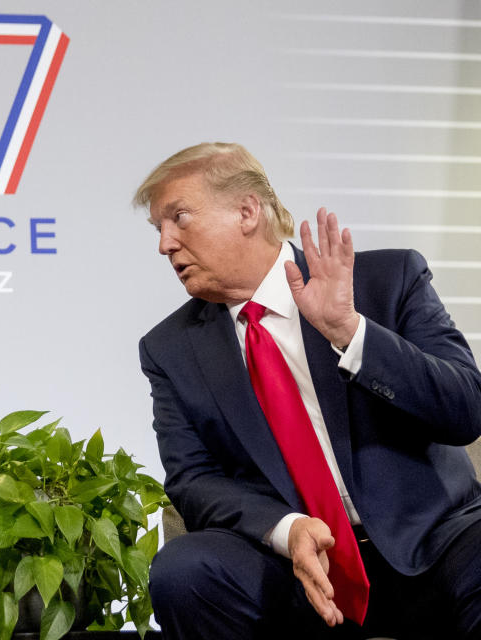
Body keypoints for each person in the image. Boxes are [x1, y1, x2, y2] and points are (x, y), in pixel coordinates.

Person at [134, 142, 481, 639]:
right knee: (185, 571)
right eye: (158, 229)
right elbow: (193, 480)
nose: (165, 244)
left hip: (432, 547)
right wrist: (287, 529)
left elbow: (466, 409)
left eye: (179, 218)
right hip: (291, 571)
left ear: (247, 211)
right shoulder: (170, 349)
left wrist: (350, 331)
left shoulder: (387, 280)